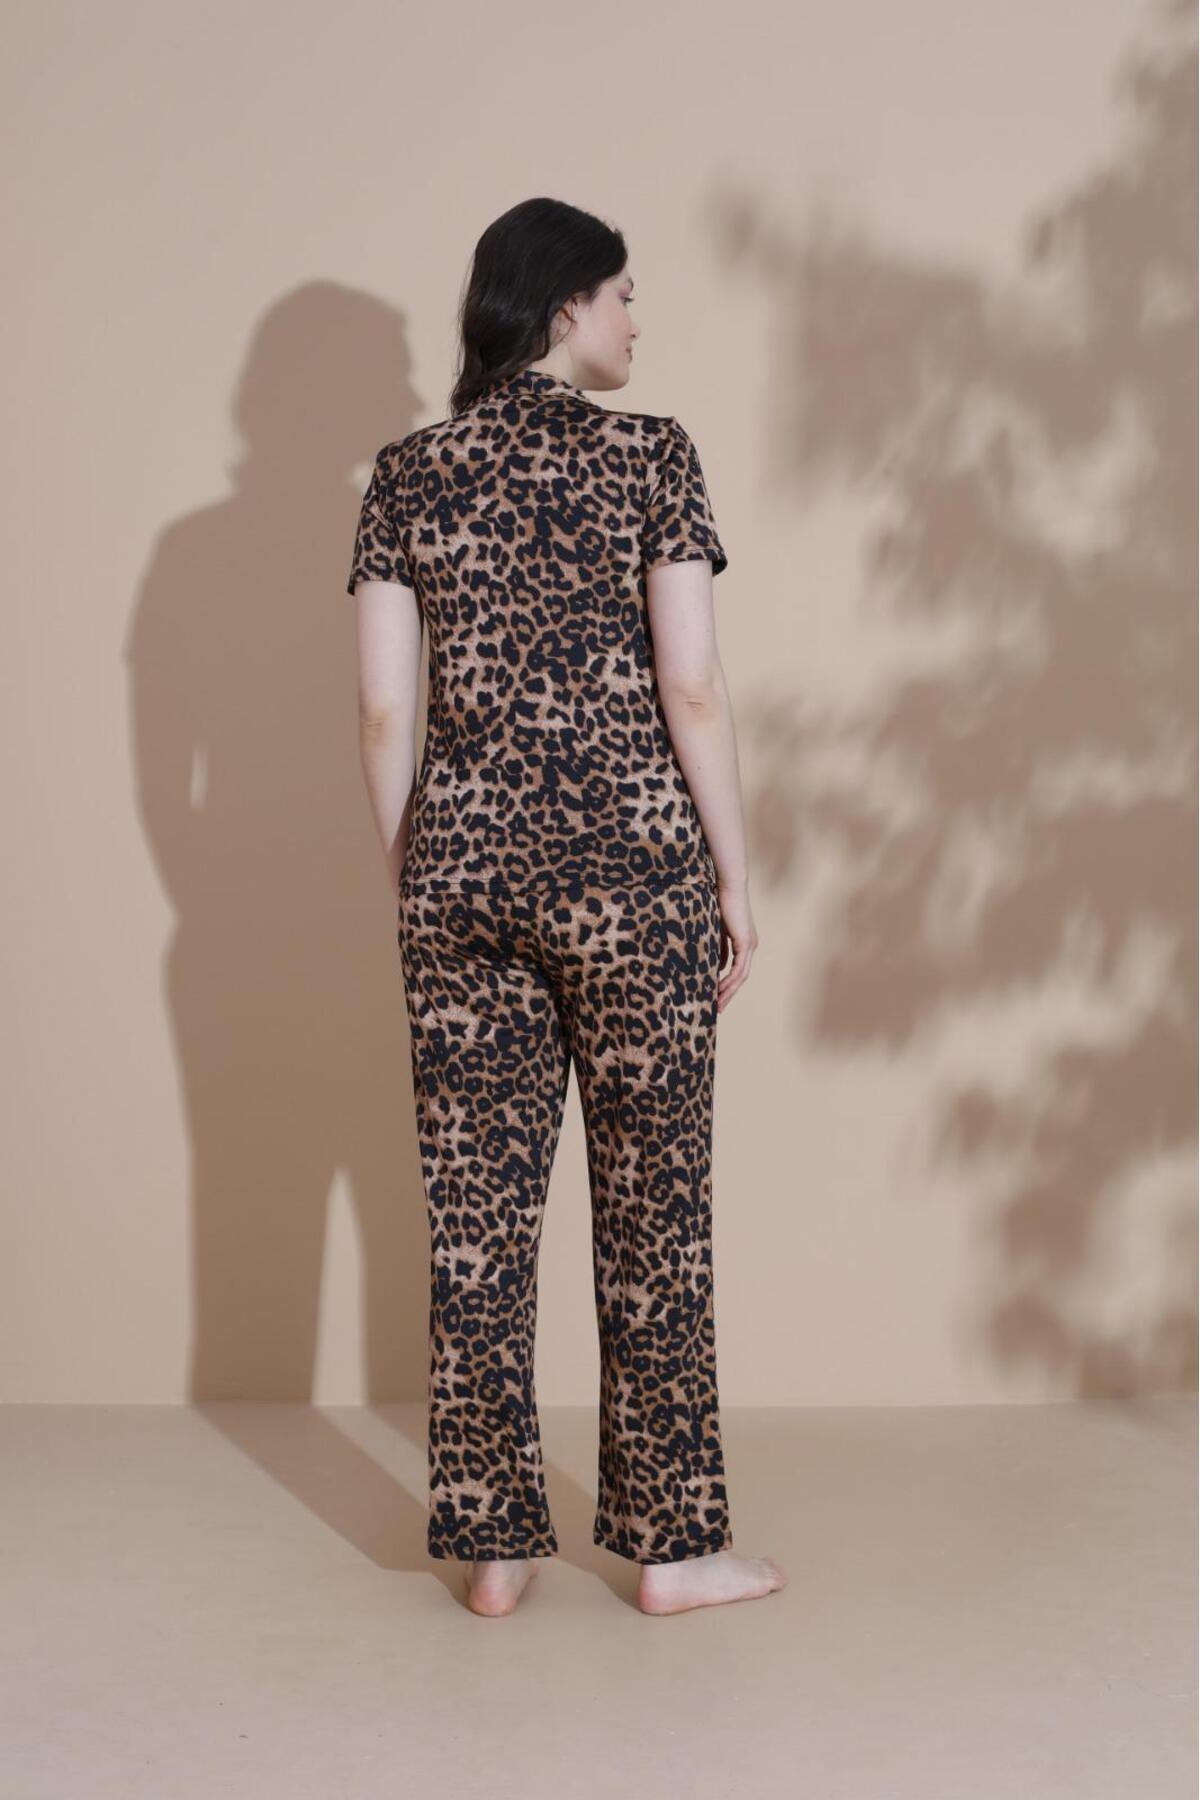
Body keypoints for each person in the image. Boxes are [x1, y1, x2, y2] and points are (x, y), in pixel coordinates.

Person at [346, 197, 786, 1618]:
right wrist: (734, 873)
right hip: (633, 878)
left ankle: (492, 1552)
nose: (638, 320)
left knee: (473, 1223)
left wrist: (417, 868)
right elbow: (693, 686)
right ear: (564, 306)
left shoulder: (406, 476)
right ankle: (670, 1551)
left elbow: (383, 711)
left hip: (460, 873)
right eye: (625, 293)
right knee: (656, 1213)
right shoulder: (652, 456)